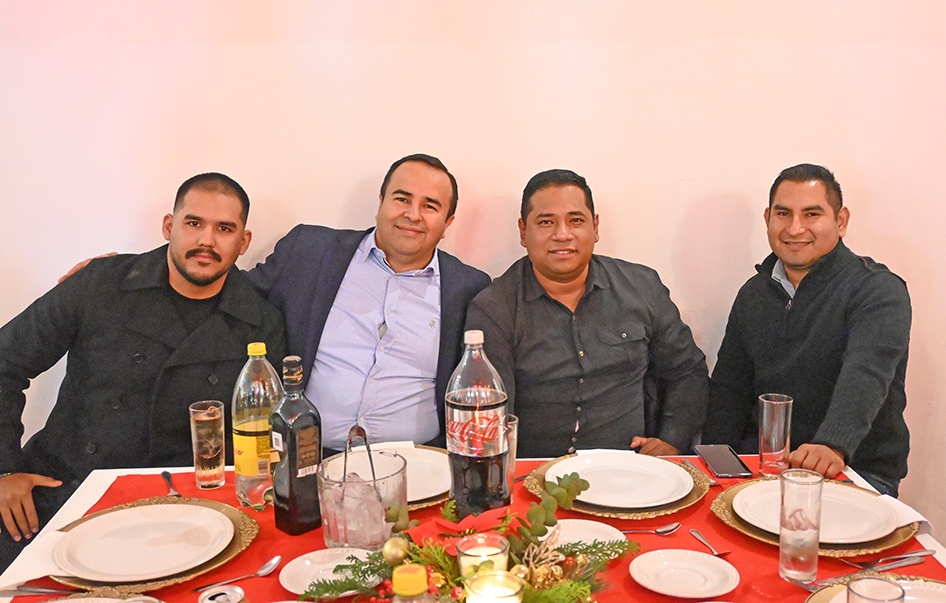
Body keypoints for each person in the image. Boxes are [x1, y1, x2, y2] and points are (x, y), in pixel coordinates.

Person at [0, 173, 286, 569]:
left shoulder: (260, 321)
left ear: (244, 241)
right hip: (67, 487)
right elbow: (6, 362)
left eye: (224, 229)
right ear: (169, 226)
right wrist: (5, 470)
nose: (206, 240)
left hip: (185, 508)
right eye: (193, 223)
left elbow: (263, 428)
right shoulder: (100, 283)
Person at [246, 154, 491, 452]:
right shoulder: (310, 252)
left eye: (429, 206)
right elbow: (236, 299)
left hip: (421, 462)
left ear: (447, 222)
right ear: (381, 202)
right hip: (306, 458)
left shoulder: (468, 289)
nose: (413, 215)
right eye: (402, 199)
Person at [464, 169, 709, 458]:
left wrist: (672, 440)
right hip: (536, 472)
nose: (562, 235)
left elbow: (687, 370)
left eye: (576, 220)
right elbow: (492, 416)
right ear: (523, 232)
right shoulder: (494, 308)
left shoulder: (642, 287)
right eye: (546, 222)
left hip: (631, 467)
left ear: (595, 227)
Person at [703, 163, 911, 496]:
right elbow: (730, 388)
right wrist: (714, 467)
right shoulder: (753, 294)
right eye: (783, 214)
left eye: (812, 214)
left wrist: (832, 445)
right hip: (762, 468)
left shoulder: (878, 290)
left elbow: (866, 374)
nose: (795, 228)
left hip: (853, 470)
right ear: (768, 218)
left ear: (841, 221)